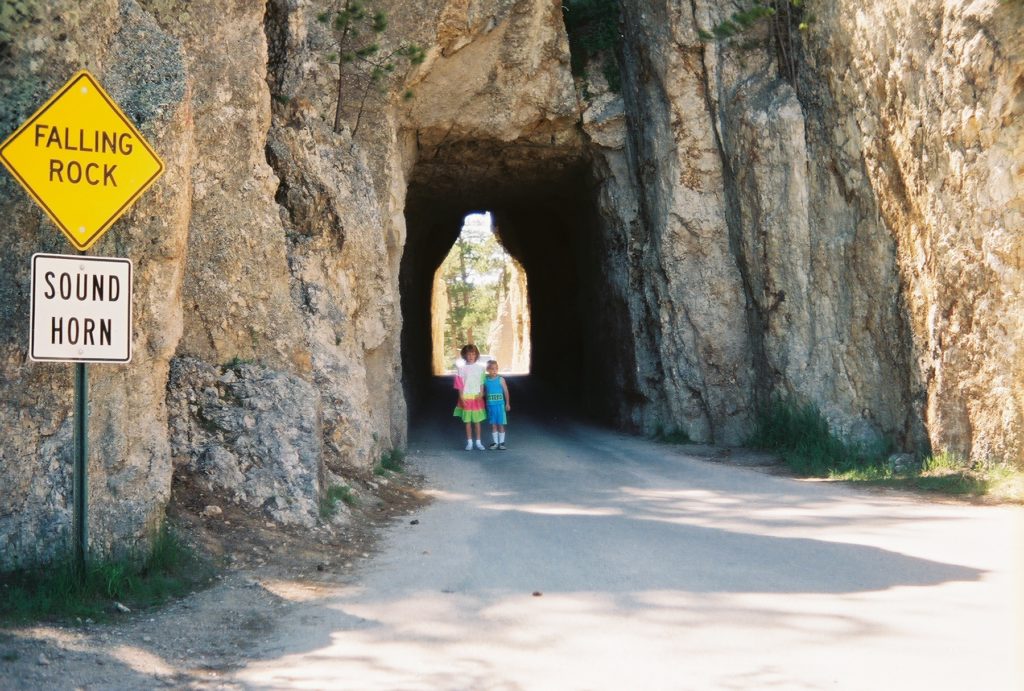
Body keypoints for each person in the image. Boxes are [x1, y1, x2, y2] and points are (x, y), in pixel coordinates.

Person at [453, 344, 487, 450]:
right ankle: (469, 442)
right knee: (467, 422)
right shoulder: (461, 369)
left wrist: (482, 393)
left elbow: (481, 382)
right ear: (464, 355)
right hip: (466, 397)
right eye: (469, 354)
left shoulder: (481, 368)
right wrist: (461, 397)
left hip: (477, 397)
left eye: (473, 353)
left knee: (477, 422)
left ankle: (478, 442)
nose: (471, 356)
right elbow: (459, 384)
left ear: (476, 355)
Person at [484, 360, 511, 449]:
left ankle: (502, 443)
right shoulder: (485, 380)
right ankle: (495, 443)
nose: (494, 371)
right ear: (487, 370)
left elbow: (506, 391)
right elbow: (484, 391)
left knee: (500, 424)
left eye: (496, 369)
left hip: (500, 405)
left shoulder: (501, 379)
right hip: (490, 405)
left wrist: (507, 403)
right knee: (493, 424)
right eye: (492, 369)